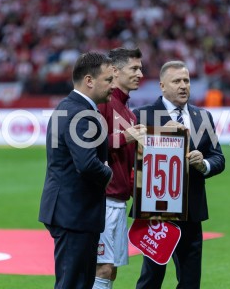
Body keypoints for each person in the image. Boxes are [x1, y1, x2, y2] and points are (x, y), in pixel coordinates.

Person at [133, 60, 225, 289]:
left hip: (191, 212)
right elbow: (129, 163)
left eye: (186, 81)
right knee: (151, 279)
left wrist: (203, 164)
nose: (183, 86)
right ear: (162, 86)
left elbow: (218, 158)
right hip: (156, 214)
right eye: (177, 81)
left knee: (190, 281)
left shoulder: (203, 117)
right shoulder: (142, 117)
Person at [39, 52, 115, 289]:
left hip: (67, 209)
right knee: (74, 283)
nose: (113, 86)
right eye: (108, 80)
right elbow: (86, 163)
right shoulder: (82, 114)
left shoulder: (65, 107)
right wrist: (108, 173)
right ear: (89, 80)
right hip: (75, 213)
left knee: (74, 281)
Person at [94, 47, 147, 289]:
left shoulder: (129, 113)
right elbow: (88, 144)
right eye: (134, 68)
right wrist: (123, 138)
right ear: (115, 71)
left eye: (140, 68)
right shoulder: (104, 102)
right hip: (102, 200)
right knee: (102, 268)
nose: (140, 73)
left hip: (119, 201)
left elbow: (127, 164)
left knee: (110, 270)